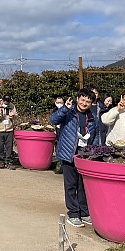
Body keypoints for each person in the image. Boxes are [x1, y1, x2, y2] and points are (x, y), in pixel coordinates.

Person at [50, 89, 96, 228]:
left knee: (83, 185)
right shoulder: (69, 112)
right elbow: (53, 120)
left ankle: (84, 212)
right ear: (77, 99)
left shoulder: (92, 117)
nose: (84, 103)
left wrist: (93, 152)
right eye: (82, 100)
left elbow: (95, 136)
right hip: (68, 153)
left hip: (84, 154)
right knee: (71, 185)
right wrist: (64, 108)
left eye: (88, 101)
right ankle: (74, 213)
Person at [0, 95, 17, 170]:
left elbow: (15, 116)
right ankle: (1, 162)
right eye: (6, 102)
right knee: (0, 147)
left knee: (9, 147)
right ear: (3, 100)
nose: (7, 103)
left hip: (9, 129)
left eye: (8, 102)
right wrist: (0, 115)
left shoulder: (12, 106)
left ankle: (9, 162)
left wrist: (12, 116)